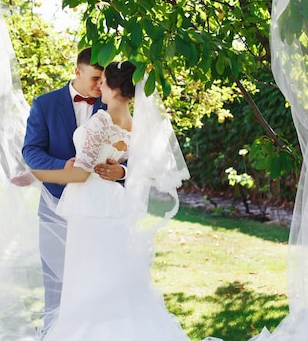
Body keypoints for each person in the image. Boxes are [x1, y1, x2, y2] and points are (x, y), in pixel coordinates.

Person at [30, 60, 196, 341]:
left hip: (89, 207)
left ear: (115, 88)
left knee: (84, 278)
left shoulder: (101, 121)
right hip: (113, 205)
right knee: (110, 275)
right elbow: (142, 163)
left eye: (103, 82)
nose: (99, 86)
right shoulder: (134, 123)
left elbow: (81, 173)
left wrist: (34, 175)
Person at [20, 47, 126, 327]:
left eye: (103, 79)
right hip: (55, 202)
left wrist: (122, 170)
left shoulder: (112, 103)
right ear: (77, 71)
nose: (99, 85)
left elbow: (134, 152)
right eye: (94, 78)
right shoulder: (44, 104)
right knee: (55, 278)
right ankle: (53, 333)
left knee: (97, 278)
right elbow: (30, 150)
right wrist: (60, 166)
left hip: (98, 211)